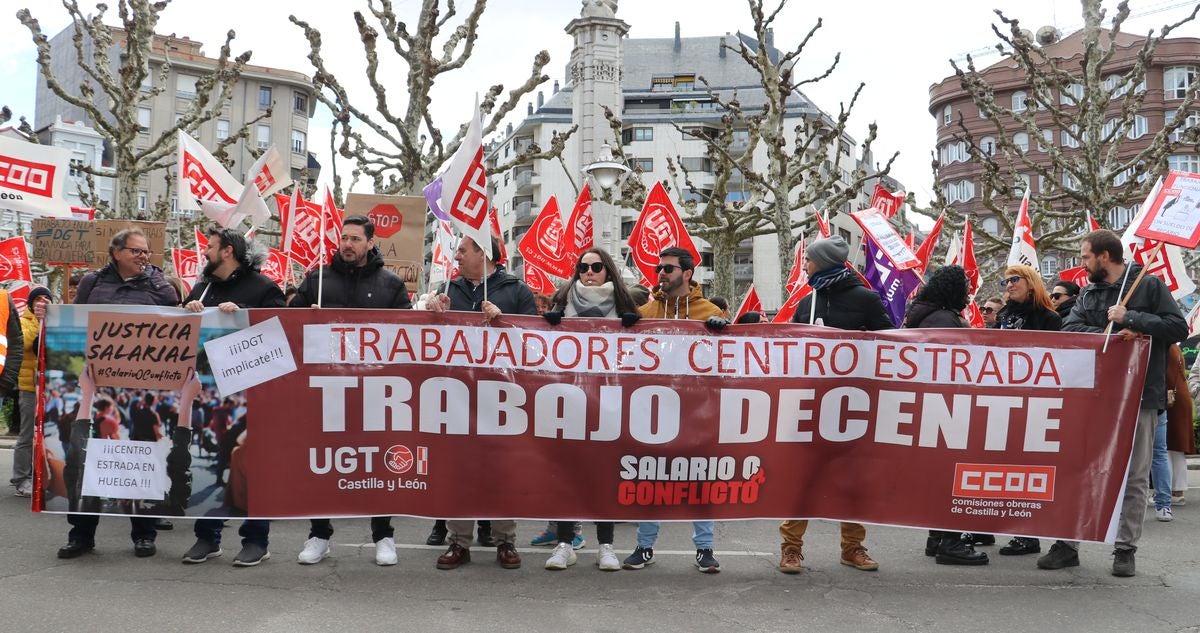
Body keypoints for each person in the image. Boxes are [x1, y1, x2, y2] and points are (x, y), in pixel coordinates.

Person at [1040, 229, 1187, 577]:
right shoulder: (1089, 292)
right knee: (1079, 469)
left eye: (1086, 256)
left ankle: (1125, 549)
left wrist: (1132, 319)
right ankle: (1068, 542)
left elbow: (1177, 327)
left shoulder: (1148, 286)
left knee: (1135, 476)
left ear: (1105, 256)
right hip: (1095, 396)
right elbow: (1070, 330)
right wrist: (1114, 336)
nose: (1082, 262)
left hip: (1141, 395)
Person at [288, 216, 412, 567]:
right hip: (324, 387)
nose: (347, 244)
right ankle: (319, 534)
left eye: (355, 238)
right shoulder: (317, 280)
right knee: (322, 460)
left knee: (378, 461)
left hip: (374, 387)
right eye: (344, 237)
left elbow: (406, 333)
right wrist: (305, 316)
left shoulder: (390, 284)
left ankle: (383, 535)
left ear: (371, 243)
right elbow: (290, 322)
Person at [60, 228, 176, 560]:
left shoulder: (159, 284)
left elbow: (174, 316)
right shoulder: (92, 283)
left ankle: (144, 533)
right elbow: (76, 321)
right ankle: (81, 534)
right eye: (137, 251)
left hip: (139, 389)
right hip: (99, 388)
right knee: (88, 459)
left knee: (140, 461)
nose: (143, 257)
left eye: (147, 252)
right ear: (117, 253)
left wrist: (163, 284)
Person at [426, 235, 537, 570]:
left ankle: (506, 541)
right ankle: (459, 542)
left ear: (483, 254)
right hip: (457, 393)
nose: (456, 255)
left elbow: (536, 341)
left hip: (502, 395)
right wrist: (431, 313)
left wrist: (506, 321)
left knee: (501, 470)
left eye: (463, 250)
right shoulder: (450, 289)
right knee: (459, 471)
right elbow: (425, 339)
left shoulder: (516, 289)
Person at [778, 236, 888, 574]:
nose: (805, 265)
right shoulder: (807, 302)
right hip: (811, 405)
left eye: (809, 260)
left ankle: (852, 547)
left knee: (853, 480)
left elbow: (891, 345)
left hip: (854, 405)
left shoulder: (866, 299)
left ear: (823, 262)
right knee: (804, 479)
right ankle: (790, 548)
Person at [181, 227, 286, 567]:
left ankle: (256, 539)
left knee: (255, 467)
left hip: (256, 397)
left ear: (228, 252)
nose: (204, 253)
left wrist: (244, 314)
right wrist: (187, 310)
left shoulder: (264, 289)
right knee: (214, 467)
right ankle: (206, 538)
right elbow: (180, 337)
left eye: (210, 247)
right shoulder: (201, 288)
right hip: (211, 395)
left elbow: (281, 335)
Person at [624, 246, 726, 573]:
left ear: (688, 273)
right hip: (655, 412)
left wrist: (724, 329)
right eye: (659, 269)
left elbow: (732, 358)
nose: (661, 274)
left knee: (700, 480)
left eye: (668, 268)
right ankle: (644, 546)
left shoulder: (709, 310)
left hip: (699, 410)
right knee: (652, 480)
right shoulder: (646, 311)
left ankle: (705, 548)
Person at [538, 247, 639, 572]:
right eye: (583, 267)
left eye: (596, 266)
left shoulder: (624, 305)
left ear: (608, 270)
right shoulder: (563, 301)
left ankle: (606, 545)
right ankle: (565, 543)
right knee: (569, 476)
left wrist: (636, 327)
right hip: (569, 398)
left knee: (604, 475)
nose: (589, 272)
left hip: (609, 400)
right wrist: (549, 325)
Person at [904, 265, 989, 566]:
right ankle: (951, 542)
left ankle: (936, 537)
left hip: (931, 408)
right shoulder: (944, 321)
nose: (969, 292)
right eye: (965, 286)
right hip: (948, 407)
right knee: (953, 477)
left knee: (941, 476)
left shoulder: (925, 315)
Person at [992, 265, 1061, 557]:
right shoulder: (1004, 315)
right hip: (1001, 399)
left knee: (1027, 472)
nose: (1008, 285)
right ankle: (988, 527)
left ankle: (1028, 535)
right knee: (999, 468)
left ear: (1031, 283)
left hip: (1034, 401)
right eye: (1005, 280)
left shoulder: (1049, 318)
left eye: (1014, 279)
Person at [7, 286, 37, 497]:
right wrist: (39, 321)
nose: (42, 302)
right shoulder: (25, 321)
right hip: (29, 387)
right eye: (38, 299)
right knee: (26, 435)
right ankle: (20, 477)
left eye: (47, 299)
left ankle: (39, 474)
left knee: (48, 435)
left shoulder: (57, 322)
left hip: (51, 389)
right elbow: (25, 342)